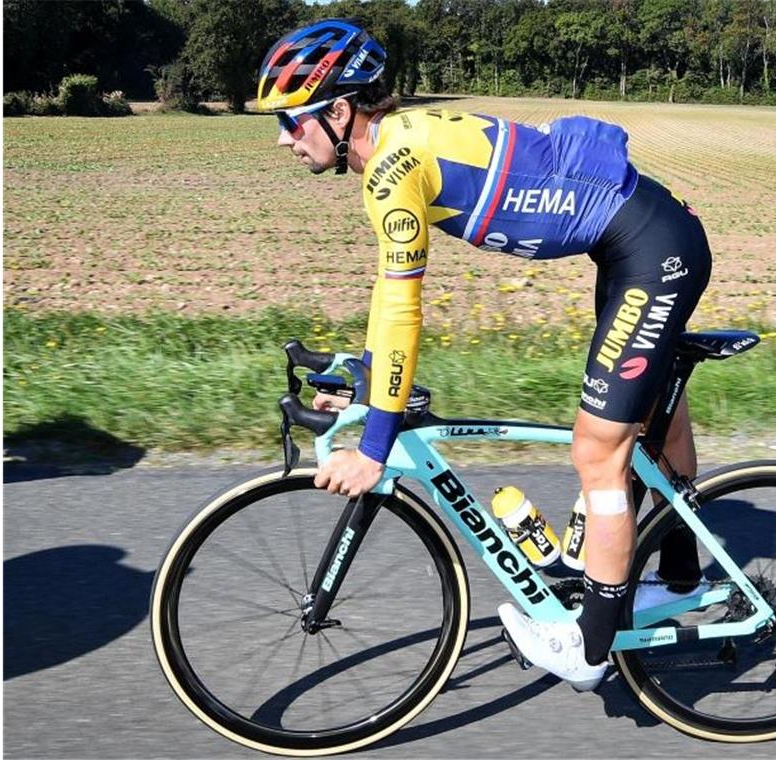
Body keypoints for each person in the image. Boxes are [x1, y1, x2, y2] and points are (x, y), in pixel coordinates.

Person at [257, 20, 712, 692]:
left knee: (598, 450)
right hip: (637, 242)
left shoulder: (390, 168)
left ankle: (590, 650)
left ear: (340, 111)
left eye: (293, 122)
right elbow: (390, 310)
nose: (283, 139)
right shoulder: (397, 146)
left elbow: (402, 308)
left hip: (650, 249)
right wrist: (365, 370)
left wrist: (375, 445)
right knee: (644, 420)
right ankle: (680, 575)